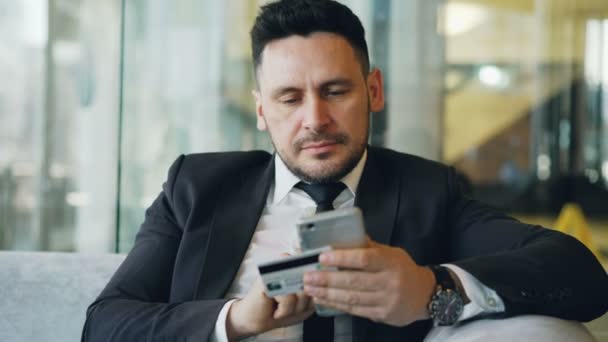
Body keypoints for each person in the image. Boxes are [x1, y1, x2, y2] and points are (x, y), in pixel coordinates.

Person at [82, 0, 608, 341]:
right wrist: (234, 319)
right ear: (262, 109)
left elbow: (579, 274)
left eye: (336, 91)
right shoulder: (196, 187)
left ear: (373, 91)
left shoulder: (427, 190)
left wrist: (432, 288)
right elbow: (104, 323)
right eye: (289, 98)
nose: (316, 119)